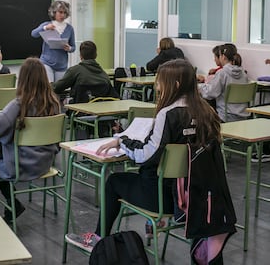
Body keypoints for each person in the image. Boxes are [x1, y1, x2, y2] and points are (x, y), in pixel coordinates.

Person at [66, 59, 236, 264]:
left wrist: (122, 142)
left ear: (173, 85)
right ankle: (158, 228)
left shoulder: (168, 113)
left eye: (159, 82)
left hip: (163, 198)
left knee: (113, 182)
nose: (157, 86)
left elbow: (146, 155)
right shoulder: (207, 112)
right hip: (195, 201)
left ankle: (98, 239)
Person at [0, 57, 61, 223]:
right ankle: (7, 201)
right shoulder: (54, 103)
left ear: (21, 79)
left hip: (20, 165)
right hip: (45, 162)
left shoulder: (19, 104)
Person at [198, 43, 249, 122]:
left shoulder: (222, 73)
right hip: (243, 116)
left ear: (223, 57)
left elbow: (210, 93)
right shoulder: (243, 74)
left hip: (225, 117)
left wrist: (198, 87)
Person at [53, 40, 117, 101]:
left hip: (78, 111)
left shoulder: (75, 71)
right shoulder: (104, 75)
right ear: (96, 55)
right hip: (99, 110)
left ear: (81, 56)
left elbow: (57, 88)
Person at [31, 0, 76, 82]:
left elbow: (73, 47)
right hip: (46, 62)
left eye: (65, 13)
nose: (62, 15)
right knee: (48, 88)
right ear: (54, 13)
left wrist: (69, 48)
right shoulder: (47, 24)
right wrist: (45, 28)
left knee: (58, 90)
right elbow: (33, 34)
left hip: (62, 65)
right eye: (60, 12)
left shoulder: (69, 28)